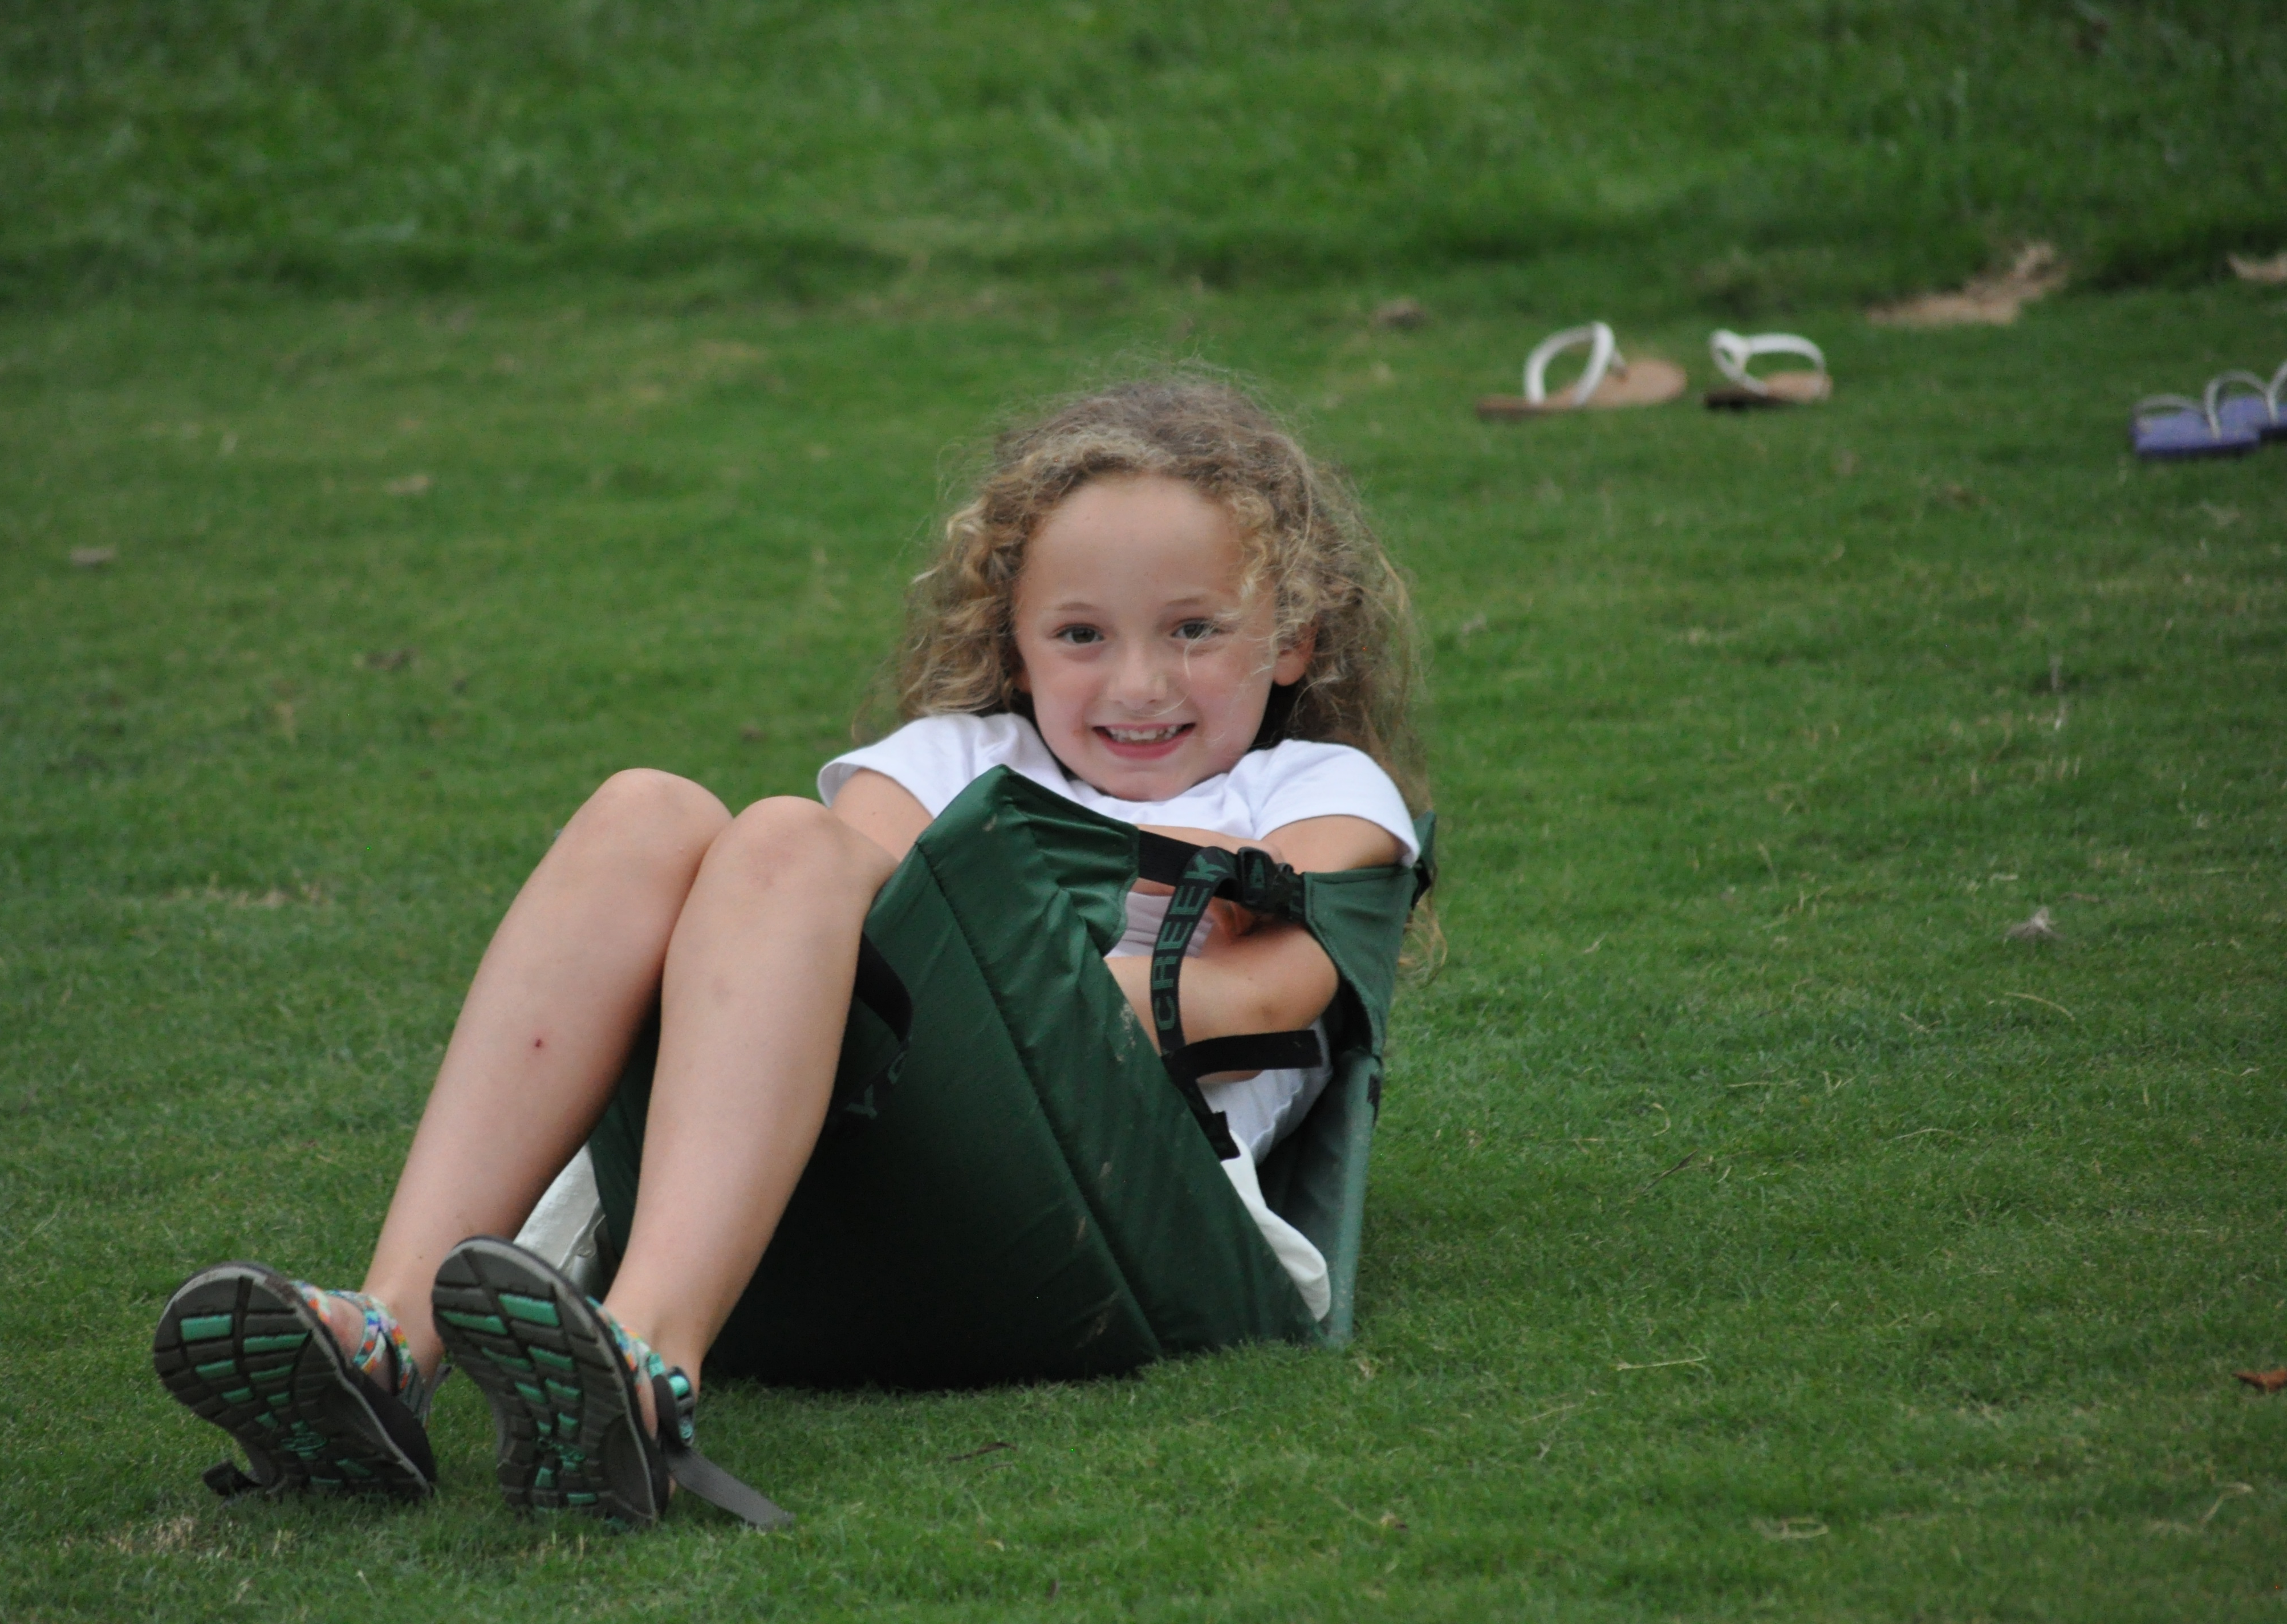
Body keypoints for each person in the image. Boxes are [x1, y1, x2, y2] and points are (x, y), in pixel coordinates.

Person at [152, 372, 1429, 1526]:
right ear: (1014, 641)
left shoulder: (1312, 787)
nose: (1138, 684)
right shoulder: (958, 757)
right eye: (1081, 635)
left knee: (785, 846)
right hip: (842, 1185)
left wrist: (1075, 989)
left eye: (1194, 629)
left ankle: (644, 1357)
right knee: (652, 813)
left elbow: (1287, 989)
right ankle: (389, 1342)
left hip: (1111, 1231)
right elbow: (819, 916)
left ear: (1295, 637)